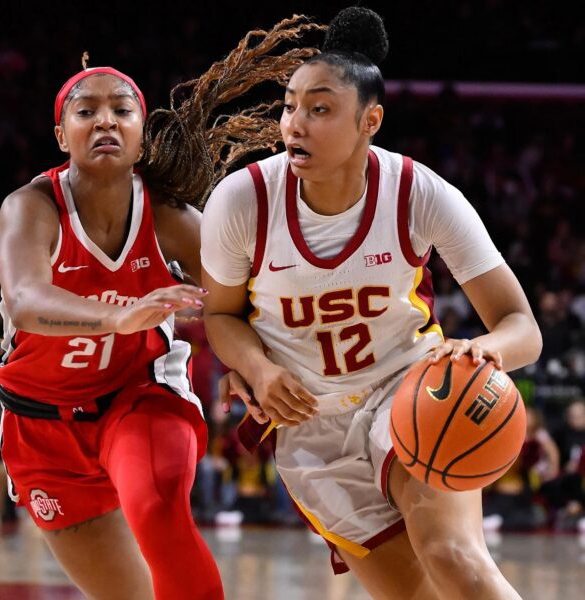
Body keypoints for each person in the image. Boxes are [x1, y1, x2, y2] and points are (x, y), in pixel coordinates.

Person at [201, 7, 542, 600]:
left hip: (409, 395)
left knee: (452, 556)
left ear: (370, 120)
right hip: (310, 428)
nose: (295, 124)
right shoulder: (242, 200)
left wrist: (484, 351)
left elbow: (522, 327)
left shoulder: (419, 192)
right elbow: (220, 315)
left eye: (320, 109)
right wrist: (257, 368)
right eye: (290, 106)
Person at [0, 16, 321, 600]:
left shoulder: (170, 217)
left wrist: (253, 365)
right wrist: (118, 316)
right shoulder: (31, 206)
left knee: (157, 511)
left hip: (139, 398)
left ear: (142, 134)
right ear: (61, 135)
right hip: (40, 426)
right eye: (86, 112)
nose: (105, 121)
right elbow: (25, 300)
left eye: (122, 110)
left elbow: (249, 302)